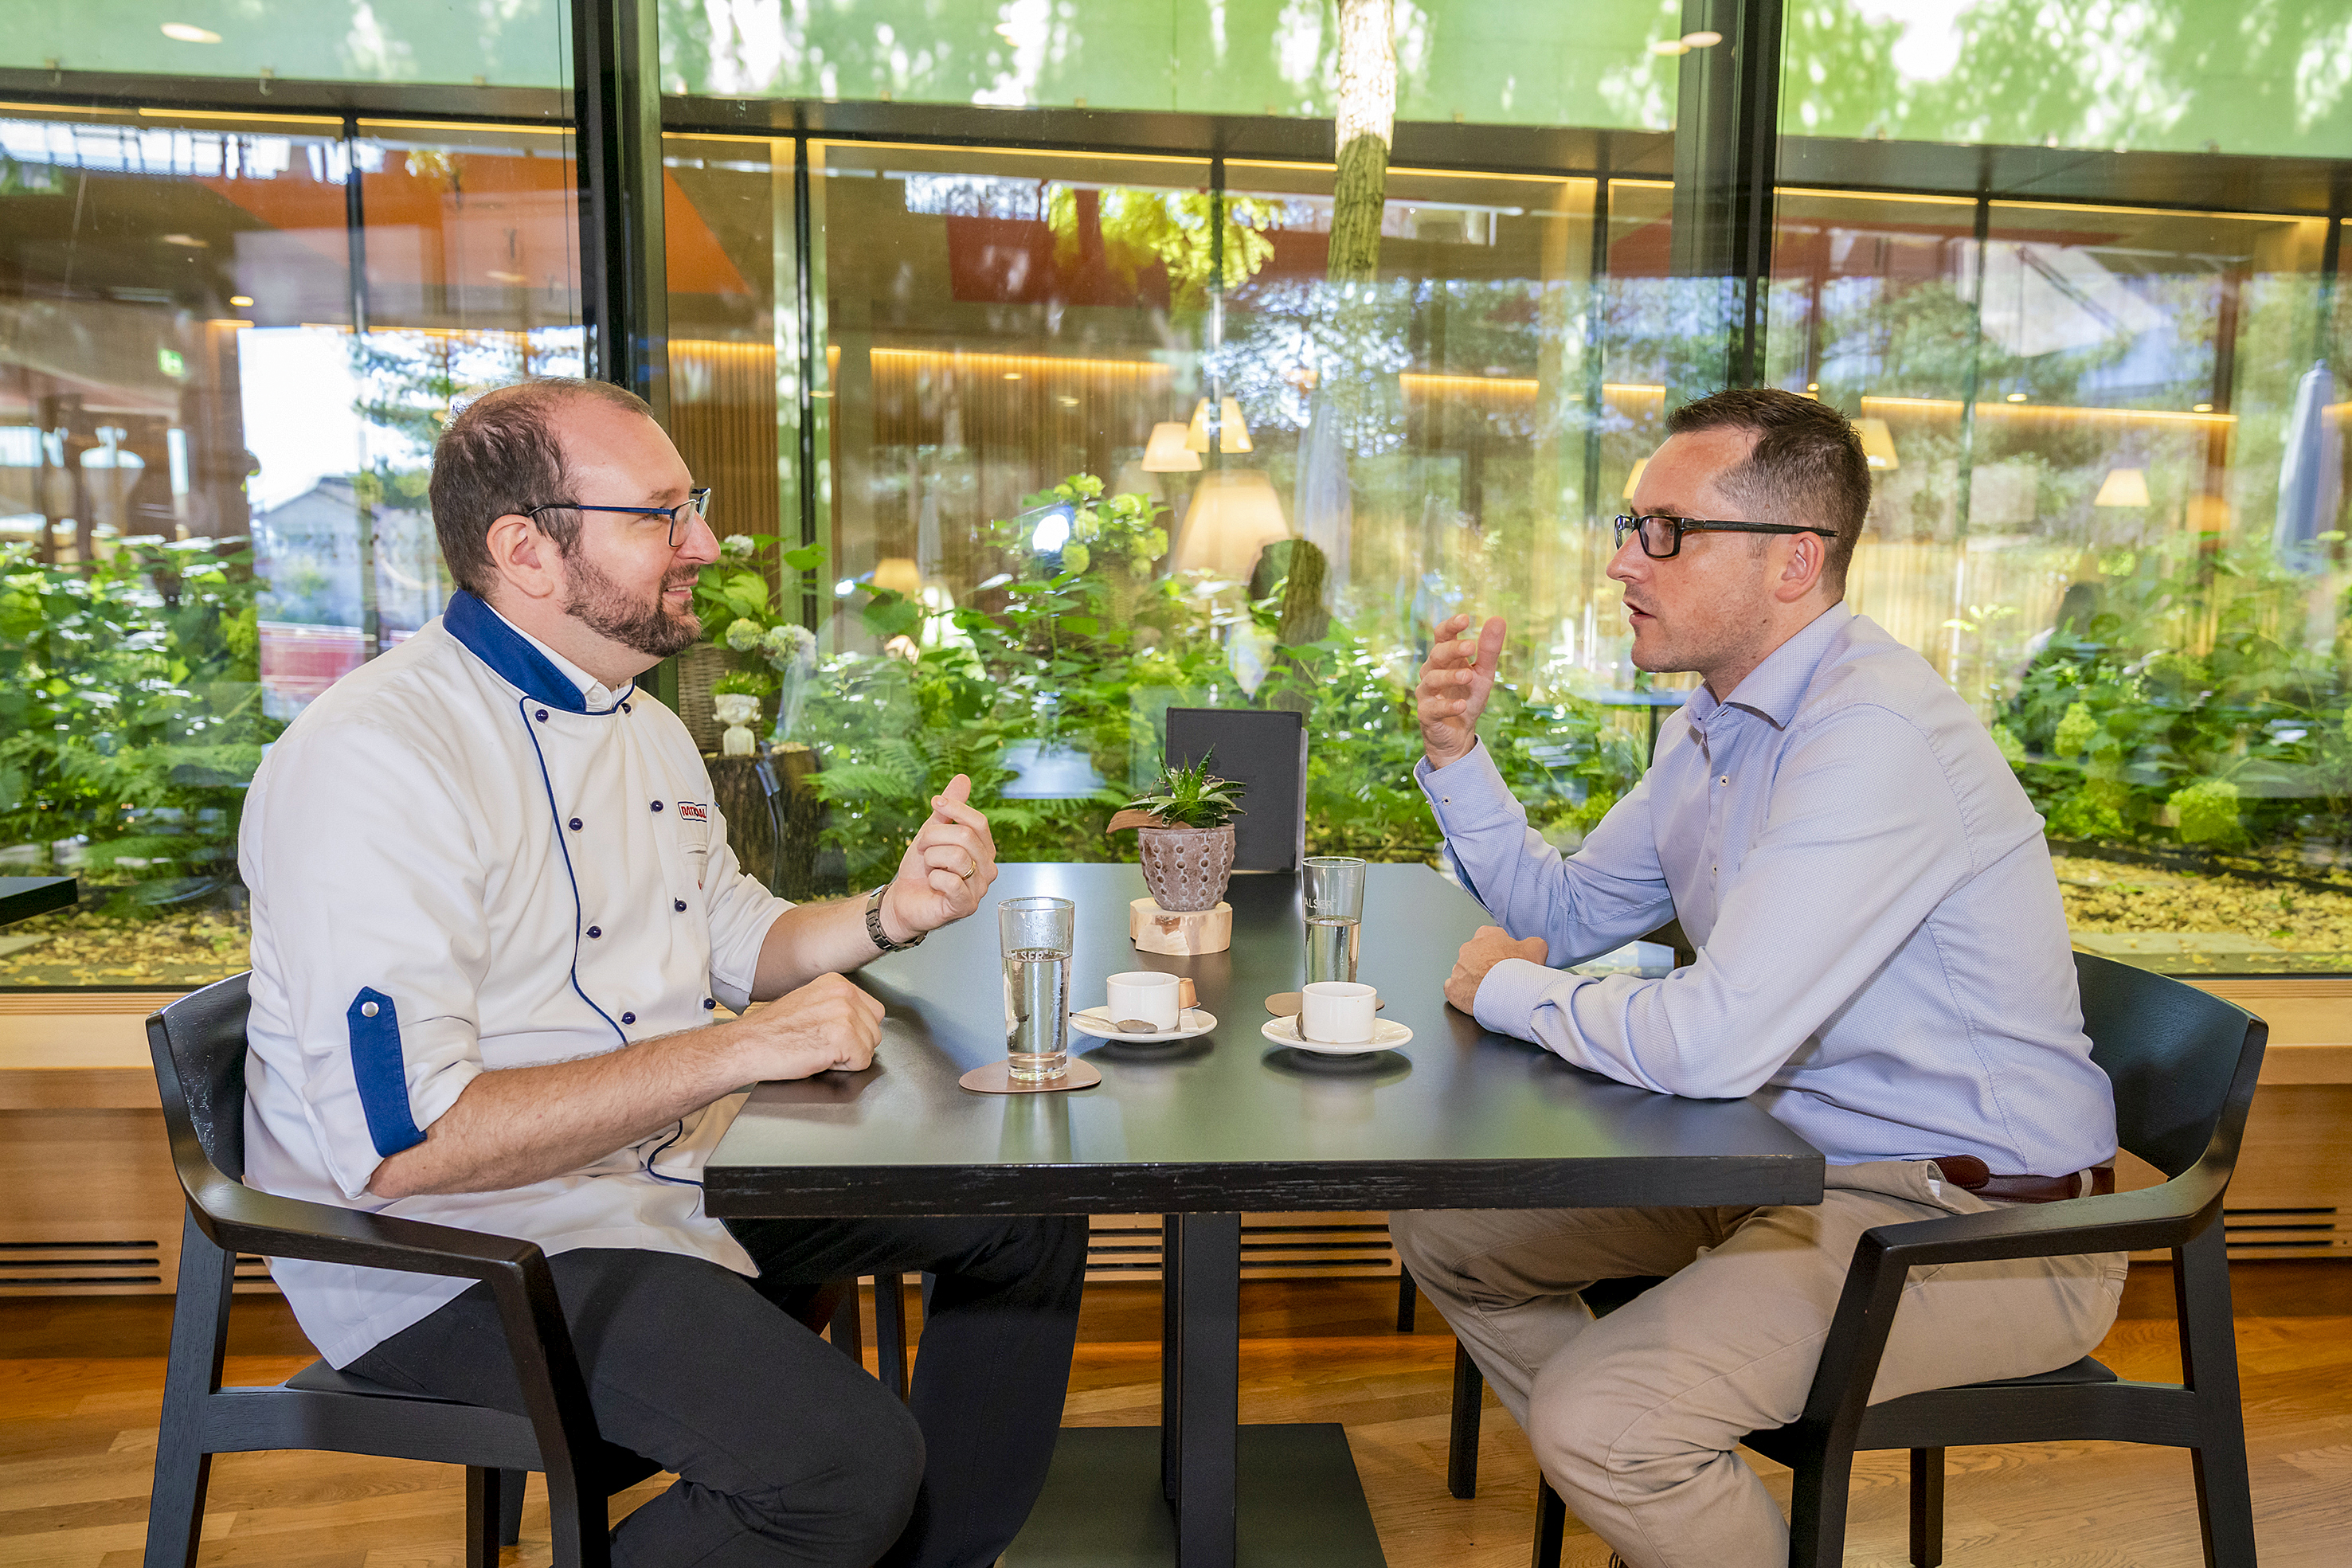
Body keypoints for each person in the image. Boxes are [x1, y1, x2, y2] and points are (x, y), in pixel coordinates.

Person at [238, 377, 1088, 1568]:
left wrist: (893, 915)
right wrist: (740, 1046)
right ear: (526, 549)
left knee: (1023, 1212)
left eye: (694, 505)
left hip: (651, 1176)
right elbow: (409, 1143)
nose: (703, 543)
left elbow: (738, 936)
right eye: (662, 514)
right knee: (842, 1467)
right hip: (460, 1250)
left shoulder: (638, 720)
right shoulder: (375, 761)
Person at [1392, 388, 2125, 1568]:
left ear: (1796, 560)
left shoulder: (1869, 734)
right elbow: (1567, 913)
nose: (1623, 560)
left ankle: (1644, 1469)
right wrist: (1454, 757)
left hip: (1977, 1221)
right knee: (1450, 1233)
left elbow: (1708, 1041)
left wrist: (1504, 992)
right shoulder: (1715, 721)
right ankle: (1671, 1519)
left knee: (1603, 1415)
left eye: (1664, 530)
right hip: (1781, 1164)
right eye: (1628, 525)